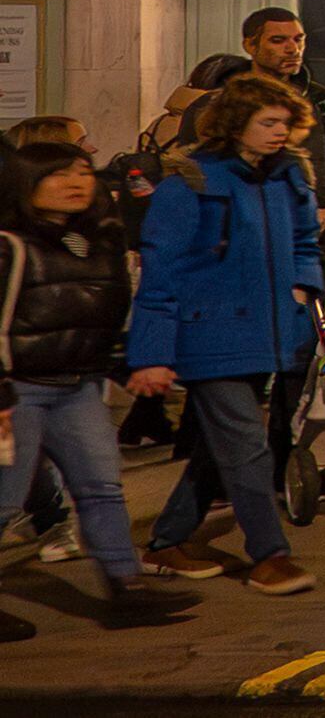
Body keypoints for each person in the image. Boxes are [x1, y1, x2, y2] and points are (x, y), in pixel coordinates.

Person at [122, 73, 322, 597]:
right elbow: (160, 273)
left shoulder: (289, 177)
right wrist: (150, 355)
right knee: (247, 445)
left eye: (285, 122)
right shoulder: (191, 183)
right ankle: (270, 555)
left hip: (268, 332)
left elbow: (305, 241)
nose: (280, 132)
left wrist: (303, 289)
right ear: (236, 125)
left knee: (223, 445)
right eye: (267, 122)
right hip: (207, 334)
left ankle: (167, 541)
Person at [3, 143, 199, 631]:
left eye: (83, 172)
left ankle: (125, 585)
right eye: (59, 174)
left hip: (77, 387)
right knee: (3, 499)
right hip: (17, 391)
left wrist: (127, 364)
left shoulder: (99, 241)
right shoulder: (10, 245)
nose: (76, 182)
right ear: (26, 183)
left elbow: (105, 316)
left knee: (101, 488)